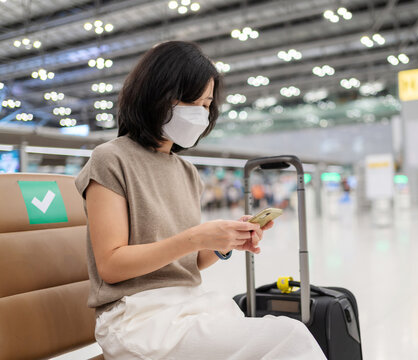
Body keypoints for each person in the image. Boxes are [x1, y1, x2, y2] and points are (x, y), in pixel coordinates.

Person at [74, 41, 325, 360]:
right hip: (137, 317)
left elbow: (189, 260)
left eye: (207, 104)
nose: (201, 113)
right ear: (158, 94)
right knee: (287, 335)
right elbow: (111, 265)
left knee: (275, 337)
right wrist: (195, 237)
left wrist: (223, 242)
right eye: (193, 101)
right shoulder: (110, 159)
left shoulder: (188, 172)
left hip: (190, 305)